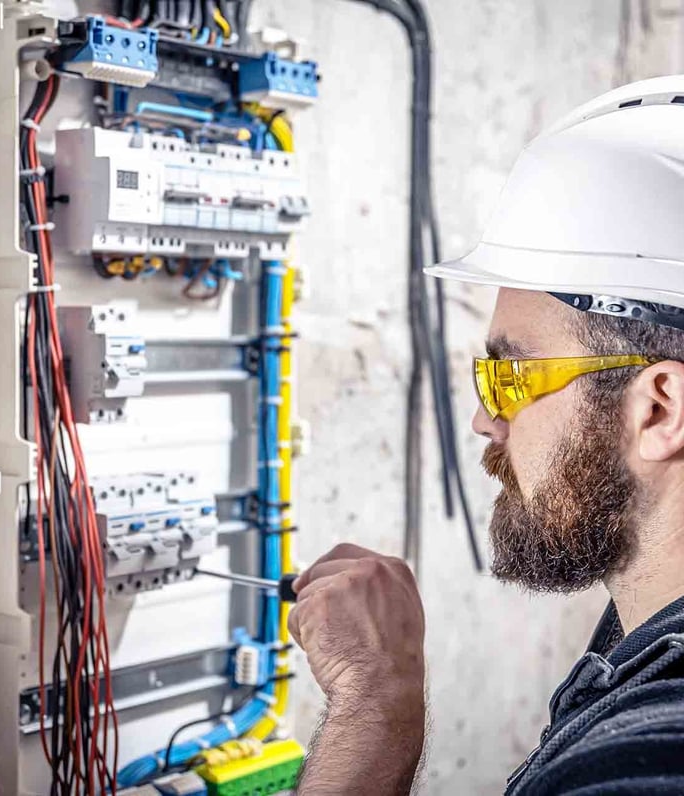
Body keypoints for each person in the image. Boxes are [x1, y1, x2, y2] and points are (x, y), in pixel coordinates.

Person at [288, 75, 684, 795]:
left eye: (511, 377)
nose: (484, 419)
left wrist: (375, 706)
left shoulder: (649, 762)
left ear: (660, 409)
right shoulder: (644, 635)